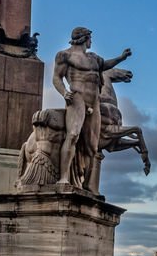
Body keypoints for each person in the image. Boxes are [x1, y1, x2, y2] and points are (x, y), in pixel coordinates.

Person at [53, 27, 132, 188]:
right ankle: (63, 178)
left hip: (94, 102)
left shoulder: (94, 58)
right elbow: (56, 78)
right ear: (84, 38)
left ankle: (86, 185)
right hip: (77, 98)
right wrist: (64, 92)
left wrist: (121, 58)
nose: (91, 41)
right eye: (90, 38)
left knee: (92, 146)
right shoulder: (65, 55)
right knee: (73, 134)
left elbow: (106, 65)